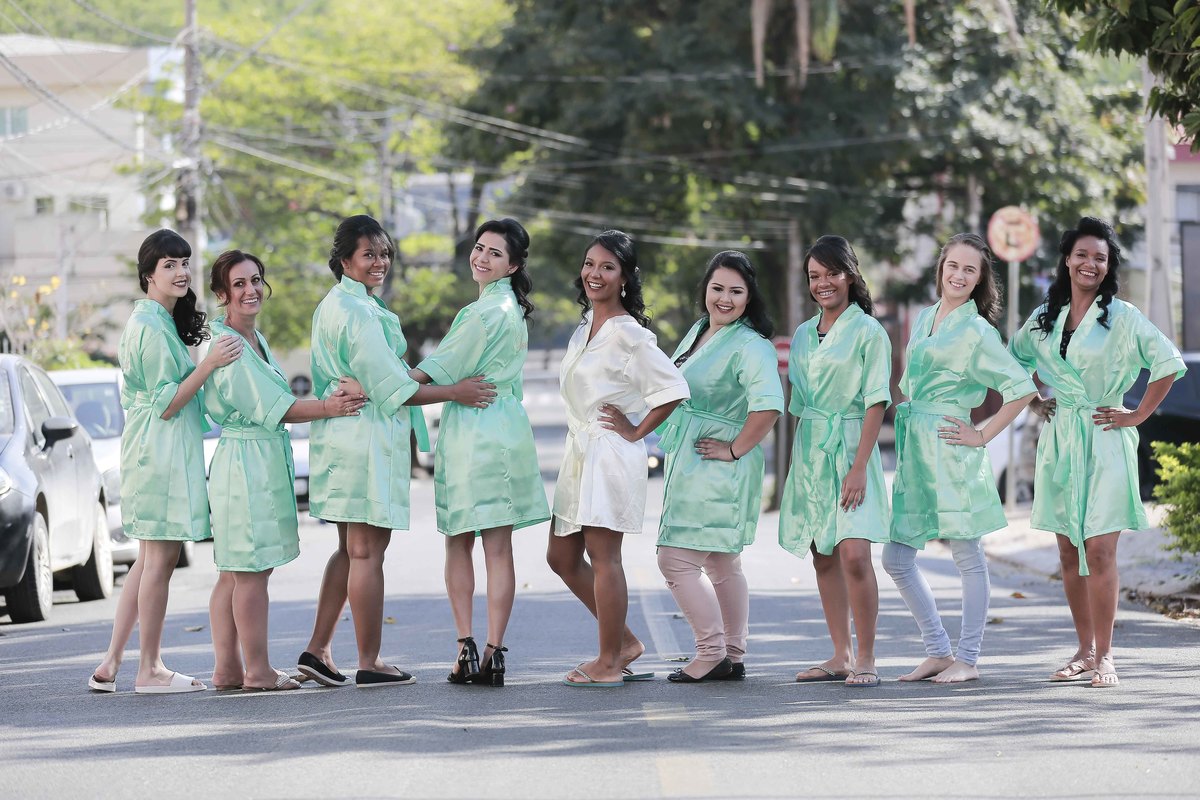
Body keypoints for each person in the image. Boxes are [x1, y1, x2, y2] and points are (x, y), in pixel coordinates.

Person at [296, 215, 495, 689]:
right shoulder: (360, 314)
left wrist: (386, 384)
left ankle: (318, 650)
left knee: (350, 550)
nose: (380, 262)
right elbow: (395, 389)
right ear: (345, 260)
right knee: (366, 552)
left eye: (384, 254)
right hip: (364, 439)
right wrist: (456, 391)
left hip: (344, 438)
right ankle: (370, 660)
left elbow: (381, 380)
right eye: (369, 254)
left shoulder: (338, 304)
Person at [1010, 216, 1185, 688]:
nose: (1091, 264)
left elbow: (1167, 362)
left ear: (1109, 267)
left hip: (1106, 434)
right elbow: (1012, 360)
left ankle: (1106, 655)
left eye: (1100, 258)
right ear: (1067, 260)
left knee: (1100, 550)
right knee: (1069, 550)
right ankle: (1084, 651)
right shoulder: (1044, 317)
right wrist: (1034, 399)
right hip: (1061, 437)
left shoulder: (1123, 317)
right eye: (1083, 255)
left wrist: (1138, 414)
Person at [87, 230, 242, 694]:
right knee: (160, 558)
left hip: (155, 449)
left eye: (184, 263)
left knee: (149, 558)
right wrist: (209, 363)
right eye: (169, 265)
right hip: (159, 452)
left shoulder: (156, 321)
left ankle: (113, 661)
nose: (180, 272)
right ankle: (149, 669)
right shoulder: (152, 328)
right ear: (148, 276)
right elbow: (168, 403)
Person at [204, 250, 366, 692]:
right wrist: (329, 408)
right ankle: (257, 670)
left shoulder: (253, 337)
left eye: (256, 280)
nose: (251, 290)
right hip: (245, 461)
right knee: (250, 570)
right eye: (239, 284)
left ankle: (227, 669)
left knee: (234, 571)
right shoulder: (230, 345)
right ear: (221, 294)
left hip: (256, 458)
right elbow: (278, 407)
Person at [882, 233, 1036, 684]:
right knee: (896, 558)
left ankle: (968, 658)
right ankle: (938, 650)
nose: (959, 275)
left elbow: (1021, 389)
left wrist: (981, 434)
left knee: (967, 555)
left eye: (970, 270)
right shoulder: (926, 316)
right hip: (916, 449)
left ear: (980, 279)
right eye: (953, 265)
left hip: (953, 447)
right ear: (941, 268)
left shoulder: (977, 331)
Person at [408, 219, 550, 687]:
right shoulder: (514, 311)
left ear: (513, 265)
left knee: (458, 541)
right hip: (508, 427)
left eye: (494, 253)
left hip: (473, 430)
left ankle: (465, 647)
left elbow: (430, 372)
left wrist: (378, 382)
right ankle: (495, 651)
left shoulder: (478, 313)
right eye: (479, 248)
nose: (482, 257)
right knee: (499, 548)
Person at [549, 230, 690, 688]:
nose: (595, 273)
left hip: (609, 452)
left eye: (607, 267)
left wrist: (636, 431)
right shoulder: (584, 327)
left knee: (604, 556)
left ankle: (609, 661)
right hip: (579, 452)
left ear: (625, 277)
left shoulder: (631, 335)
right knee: (561, 556)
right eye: (590, 264)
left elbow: (673, 390)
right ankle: (625, 642)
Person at [655, 251, 783, 683]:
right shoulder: (700, 331)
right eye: (717, 288)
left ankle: (710, 652)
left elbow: (768, 406)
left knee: (675, 559)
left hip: (718, 463)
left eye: (735, 291)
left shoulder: (751, 345)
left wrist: (734, 450)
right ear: (705, 290)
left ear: (749, 297)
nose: (724, 299)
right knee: (722, 562)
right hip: (695, 457)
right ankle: (732, 651)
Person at [778, 235, 891, 688]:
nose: (823, 283)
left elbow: (876, 402)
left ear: (850, 276)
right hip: (811, 451)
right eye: (814, 276)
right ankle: (840, 654)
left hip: (853, 446)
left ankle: (866, 656)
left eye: (831, 273)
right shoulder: (804, 335)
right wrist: (802, 467)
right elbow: (800, 406)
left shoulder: (869, 332)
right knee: (822, 553)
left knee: (855, 555)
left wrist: (859, 466)